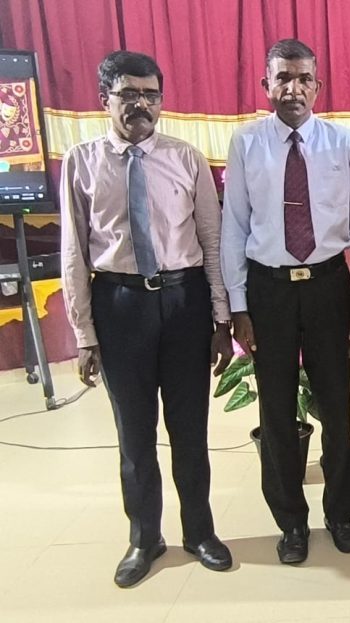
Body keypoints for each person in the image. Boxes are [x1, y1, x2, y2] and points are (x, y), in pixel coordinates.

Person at [60, 51, 234, 587]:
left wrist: (221, 319)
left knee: (190, 430)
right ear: (104, 99)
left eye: (150, 95)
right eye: (128, 94)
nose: (141, 105)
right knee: (134, 435)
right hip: (119, 306)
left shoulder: (186, 159)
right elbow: (73, 252)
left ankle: (200, 532)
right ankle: (145, 538)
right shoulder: (82, 162)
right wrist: (84, 333)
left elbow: (212, 240)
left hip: (183, 304)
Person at [221, 39, 350, 563]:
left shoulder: (341, 142)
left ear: (318, 86)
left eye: (304, 78)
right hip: (271, 291)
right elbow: (234, 226)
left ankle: (340, 514)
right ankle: (291, 524)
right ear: (266, 85)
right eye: (283, 78)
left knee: (336, 406)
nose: (293, 88)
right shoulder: (247, 144)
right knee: (278, 412)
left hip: (329, 287)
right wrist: (239, 307)